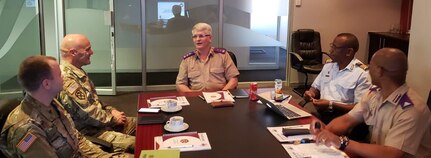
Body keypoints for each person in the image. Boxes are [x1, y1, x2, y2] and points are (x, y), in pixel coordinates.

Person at [310, 48, 431, 158]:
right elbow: (347, 120)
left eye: (370, 66)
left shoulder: (411, 109)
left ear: (379, 71)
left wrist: (342, 142)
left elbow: (391, 154)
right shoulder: (374, 93)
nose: (368, 69)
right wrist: (325, 131)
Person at [0, 55, 130, 157]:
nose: (64, 76)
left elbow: (77, 140)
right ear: (46, 84)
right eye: (59, 74)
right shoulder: (27, 130)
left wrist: (103, 156)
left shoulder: (52, 104)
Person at [57, 34, 135, 153]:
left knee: (144, 123)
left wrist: (111, 110)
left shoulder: (77, 71)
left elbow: (94, 101)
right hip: (92, 133)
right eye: (87, 49)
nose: (92, 52)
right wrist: (113, 119)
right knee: (139, 143)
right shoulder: (67, 79)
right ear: (73, 53)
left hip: (102, 123)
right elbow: (87, 113)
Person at [303, 33, 371, 123]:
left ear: (349, 52)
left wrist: (331, 105)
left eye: (335, 47)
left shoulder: (362, 74)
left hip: (344, 119)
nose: (330, 50)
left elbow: (360, 108)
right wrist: (311, 93)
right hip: (321, 113)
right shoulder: (328, 65)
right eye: (332, 46)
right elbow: (315, 87)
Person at [176, 23, 240, 92]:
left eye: (201, 36)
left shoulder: (223, 55)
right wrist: (193, 95)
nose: (197, 39)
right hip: (196, 98)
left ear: (210, 38)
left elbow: (233, 80)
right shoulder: (187, 59)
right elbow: (180, 84)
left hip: (219, 98)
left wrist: (221, 94)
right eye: (195, 36)